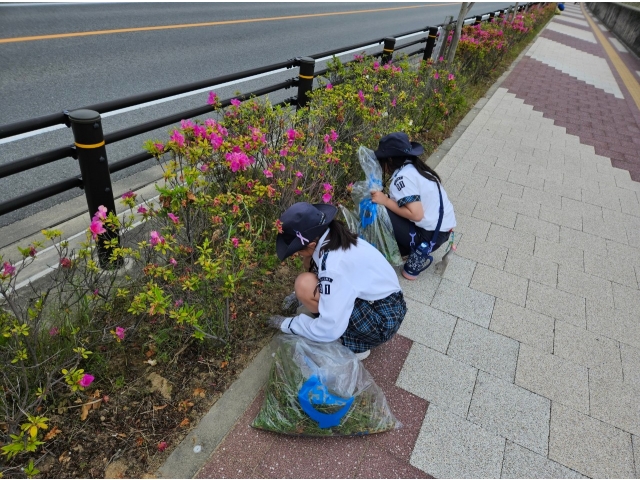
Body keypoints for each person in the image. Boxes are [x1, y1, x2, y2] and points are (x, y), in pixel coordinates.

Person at [268, 202, 407, 360]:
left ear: (312, 244)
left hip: (380, 323)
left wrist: (287, 324)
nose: (296, 254)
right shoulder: (334, 236)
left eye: (297, 250)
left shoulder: (333, 266)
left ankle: (357, 344)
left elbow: (329, 328)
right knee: (309, 273)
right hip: (388, 305)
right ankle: (353, 333)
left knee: (304, 285)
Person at [370, 132, 456, 280]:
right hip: (441, 231)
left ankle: (414, 250)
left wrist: (384, 201)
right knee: (390, 205)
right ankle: (409, 250)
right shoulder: (417, 169)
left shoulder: (402, 178)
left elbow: (416, 214)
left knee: (378, 208)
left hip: (429, 236)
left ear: (390, 159)